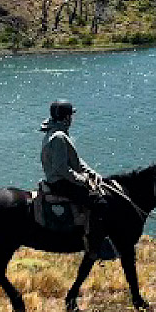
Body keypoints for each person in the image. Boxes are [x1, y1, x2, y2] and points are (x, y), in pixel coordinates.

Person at [40, 100, 117, 260]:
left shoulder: (54, 132)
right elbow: (62, 168)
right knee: (100, 203)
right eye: (70, 116)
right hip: (61, 182)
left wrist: (92, 173)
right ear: (66, 118)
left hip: (60, 179)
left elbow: (76, 161)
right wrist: (83, 180)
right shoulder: (59, 137)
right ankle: (97, 246)